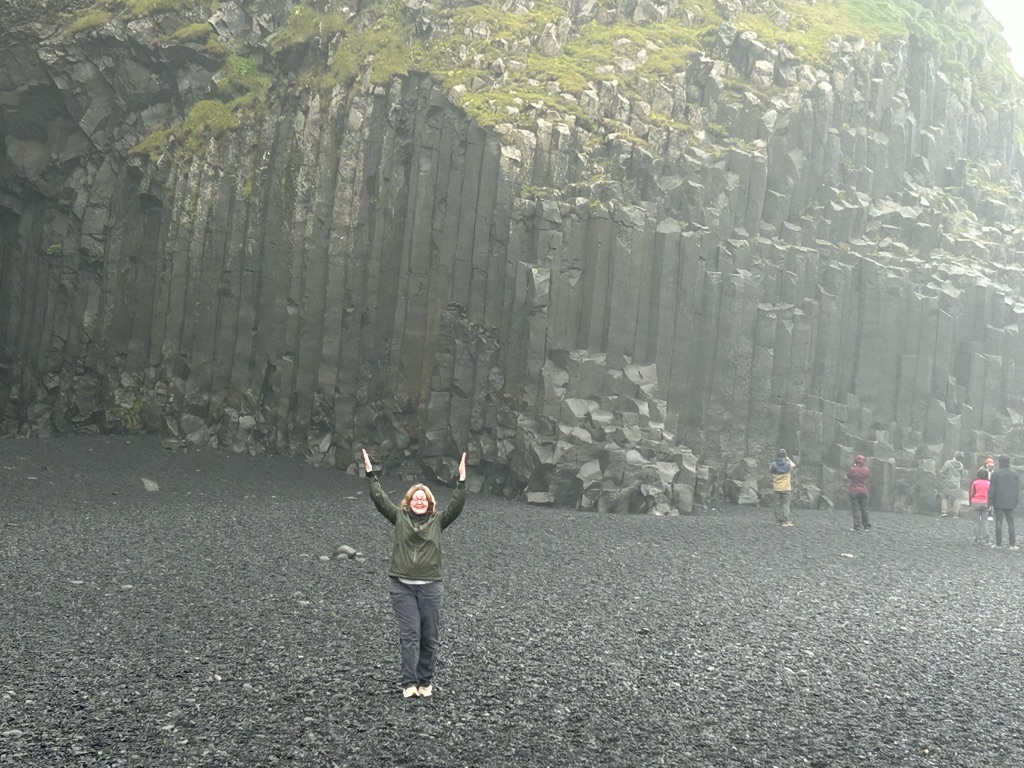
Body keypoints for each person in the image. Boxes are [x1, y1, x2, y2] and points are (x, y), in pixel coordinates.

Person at [362, 448, 468, 698]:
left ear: (429, 503)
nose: (419, 501)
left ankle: (425, 682)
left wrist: (462, 481)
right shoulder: (398, 517)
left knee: (429, 637)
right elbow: (380, 500)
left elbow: (456, 505)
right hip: (403, 587)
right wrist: (370, 474)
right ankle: (409, 683)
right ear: (408, 502)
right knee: (410, 635)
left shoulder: (438, 521)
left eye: (423, 499)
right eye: (415, 498)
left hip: (431, 587)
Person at [987, 455, 1019, 550]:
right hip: (1010, 502)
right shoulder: (1014, 474)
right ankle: (1012, 544)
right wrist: (1016, 501)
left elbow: (992, 489)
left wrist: (990, 502)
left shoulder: (996, 473)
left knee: (998, 522)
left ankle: (998, 544)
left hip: (998, 501)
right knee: (1011, 523)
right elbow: (1016, 489)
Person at [770, 449, 796, 527]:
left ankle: (779, 519)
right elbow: (794, 465)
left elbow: (770, 470)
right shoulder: (788, 464)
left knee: (777, 504)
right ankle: (785, 520)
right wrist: (787, 458)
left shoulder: (773, 464)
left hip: (776, 488)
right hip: (786, 488)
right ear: (785, 456)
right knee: (785, 504)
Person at [847, 454, 871, 531]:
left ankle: (857, 526)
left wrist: (854, 466)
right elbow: (866, 477)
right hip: (863, 490)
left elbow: (848, 476)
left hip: (854, 490)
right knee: (864, 509)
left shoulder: (852, 469)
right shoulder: (866, 469)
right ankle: (866, 526)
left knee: (856, 509)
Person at [937, 451, 965, 517]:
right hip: (957, 483)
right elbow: (962, 476)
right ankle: (955, 513)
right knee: (956, 498)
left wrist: (944, 477)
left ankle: (944, 511)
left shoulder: (948, 463)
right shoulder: (961, 465)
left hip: (947, 482)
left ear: (954, 455)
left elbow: (942, 472)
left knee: (944, 496)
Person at [969, 468, 990, 544]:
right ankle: (985, 538)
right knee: (984, 521)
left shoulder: (975, 482)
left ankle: (977, 537)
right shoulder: (989, 483)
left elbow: (971, 493)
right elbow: (990, 494)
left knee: (976, 521)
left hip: (975, 502)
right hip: (985, 502)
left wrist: (970, 502)